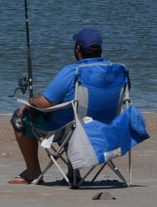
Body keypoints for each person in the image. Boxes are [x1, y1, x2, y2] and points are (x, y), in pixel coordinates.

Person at [9, 27, 109, 185]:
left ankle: (33, 172)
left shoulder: (72, 72)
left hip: (69, 130)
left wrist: (30, 102)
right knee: (78, 116)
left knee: (19, 117)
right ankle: (73, 173)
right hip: (105, 130)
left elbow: (44, 103)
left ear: (77, 49)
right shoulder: (115, 71)